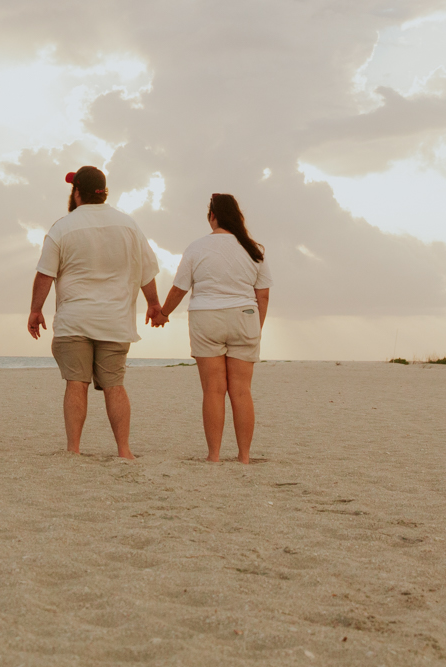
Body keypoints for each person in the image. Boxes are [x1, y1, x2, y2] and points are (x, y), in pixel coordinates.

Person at [27, 166, 164, 459]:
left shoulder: (62, 227)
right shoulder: (129, 225)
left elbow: (45, 274)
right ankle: (124, 450)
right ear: (103, 192)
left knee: (76, 383)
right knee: (115, 384)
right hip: (115, 320)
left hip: (74, 320)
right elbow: (146, 270)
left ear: (77, 192)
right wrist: (153, 304)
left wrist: (35, 310)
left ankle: (74, 449)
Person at [156, 193, 272, 463]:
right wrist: (256, 329)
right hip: (244, 316)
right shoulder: (254, 249)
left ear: (212, 216)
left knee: (213, 389)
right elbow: (263, 295)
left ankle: (214, 455)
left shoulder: (196, 247)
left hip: (206, 317)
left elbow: (179, 288)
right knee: (241, 390)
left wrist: (163, 313)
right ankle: (244, 456)